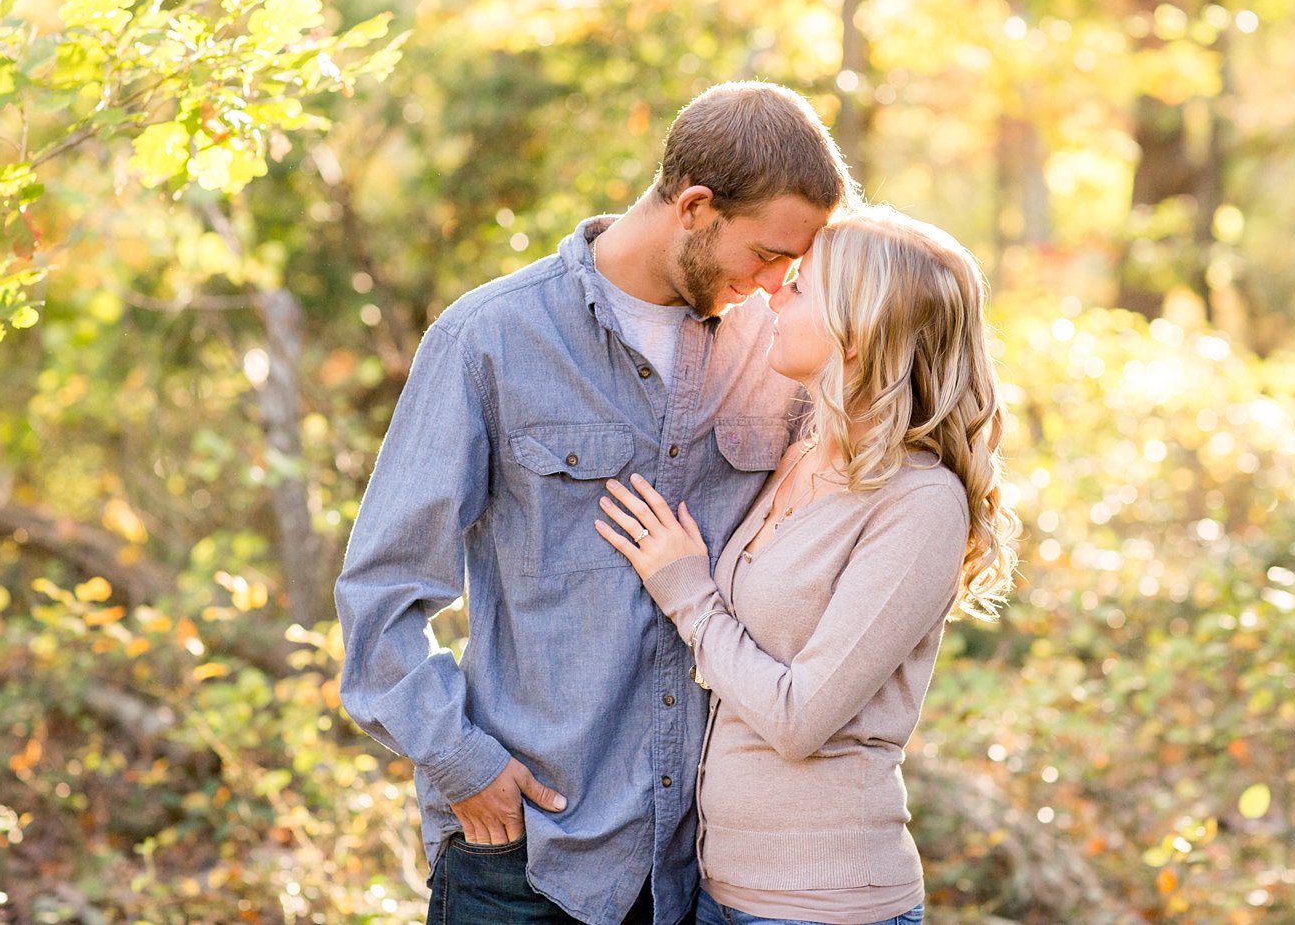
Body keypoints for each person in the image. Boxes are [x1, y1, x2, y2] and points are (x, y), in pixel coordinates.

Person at [334, 81, 859, 925]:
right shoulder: (490, 339)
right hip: (529, 857)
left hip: (706, 867)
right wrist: (464, 764)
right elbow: (382, 596)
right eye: (766, 255)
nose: (773, 285)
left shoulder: (779, 351)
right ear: (695, 206)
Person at [595, 205, 1020, 925]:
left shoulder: (920, 503)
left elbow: (798, 717)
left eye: (801, 287)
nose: (773, 294)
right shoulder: (802, 454)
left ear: (857, 331)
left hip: (824, 906)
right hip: (716, 890)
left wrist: (687, 593)